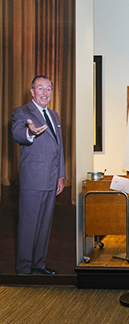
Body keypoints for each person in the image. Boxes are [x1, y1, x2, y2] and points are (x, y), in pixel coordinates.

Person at [11, 75, 66, 275]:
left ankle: (38, 263)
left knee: (44, 224)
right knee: (28, 224)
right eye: (40, 89)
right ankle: (24, 268)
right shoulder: (22, 112)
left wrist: (61, 176)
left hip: (51, 179)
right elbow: (17, 133)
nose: (45, 93)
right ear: (32, 92)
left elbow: (59, 148)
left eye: (49, 89)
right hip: (33, 179)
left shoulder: (55, 115)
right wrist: (30, 133)